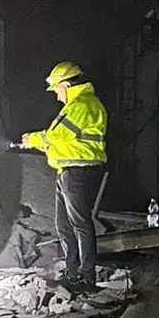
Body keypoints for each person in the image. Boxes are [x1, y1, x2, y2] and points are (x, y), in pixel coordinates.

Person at [21, 61, 107, 294]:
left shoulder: (82, 104)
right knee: (65, 226)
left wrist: (33, 140)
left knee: (79, 225)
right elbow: (65, 142)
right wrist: (44, 145)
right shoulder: (77, 106)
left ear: (67, 85)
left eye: (57, 90)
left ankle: (86, 277)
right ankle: (73, 273)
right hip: (68, 170)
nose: (57, 96)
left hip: (79, 171)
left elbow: (57, 135)